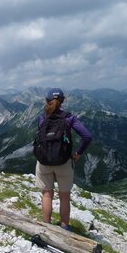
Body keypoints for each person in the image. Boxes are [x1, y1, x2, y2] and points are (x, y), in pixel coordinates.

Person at [35, 88, 92, 231]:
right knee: (64, 197)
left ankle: (46, 226)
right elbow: (87, 136)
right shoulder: (69, 118)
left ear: (46, 101)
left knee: (47, 194)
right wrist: (78, 153)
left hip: (44, 162)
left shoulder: (42, 118)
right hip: (64, 162)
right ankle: (65, 227)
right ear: (63, 101)